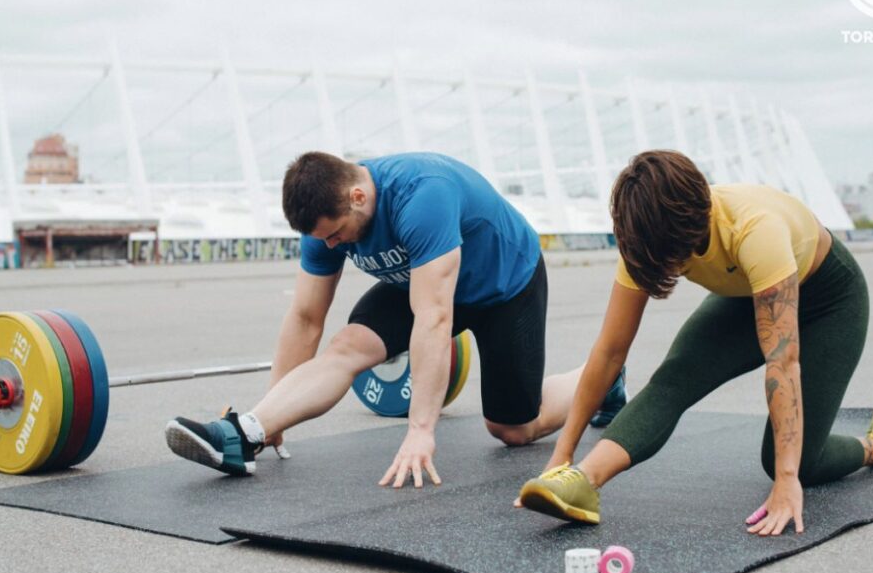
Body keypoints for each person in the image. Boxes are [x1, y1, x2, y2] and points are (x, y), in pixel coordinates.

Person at [165, 151, 627, 484]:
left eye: (338, 235)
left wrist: (421, 430)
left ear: (359, 196)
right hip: (421, 282)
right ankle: (242, 434)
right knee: (347, 346)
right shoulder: (322, 224)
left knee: (512, 429)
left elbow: (433, 319)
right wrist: (272, 415)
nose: (332, 247)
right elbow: (306, 317)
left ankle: (603, 378)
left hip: (503, 284)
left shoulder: (423, 196)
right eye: (323, 239)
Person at [518, 150, 873, 535]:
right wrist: (562, 457)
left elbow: (783, 362)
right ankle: (584, 481)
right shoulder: (648, 238)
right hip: (748, 294)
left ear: (691, 227)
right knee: (674, 379)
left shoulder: (756, 229)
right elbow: (608, 352)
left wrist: (786, 479)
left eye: (670, 259)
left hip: (830, 300)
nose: (662, 268)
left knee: (794, 462)